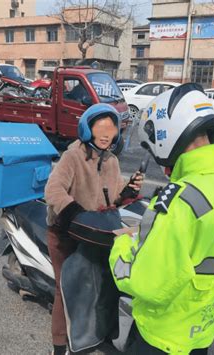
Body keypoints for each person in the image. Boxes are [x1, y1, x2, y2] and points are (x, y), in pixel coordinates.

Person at [109, 83, 214, 354]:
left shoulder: (179, 200)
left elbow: (147, 284)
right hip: (204, 329)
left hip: (162, 334)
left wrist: (121, 247)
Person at [44, 103, 144, 355]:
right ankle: (58, 346)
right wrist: (74, 213)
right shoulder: (72, 157)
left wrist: (129, 190)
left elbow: (114, 196)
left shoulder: (111, 160)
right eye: (100, 127)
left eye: (111, 129)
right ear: (87, 129)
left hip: (97, 234)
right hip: (66, 234)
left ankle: (96, 333)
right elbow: (53, 190)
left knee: (101, 282)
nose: (105, 133)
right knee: (64, 289)